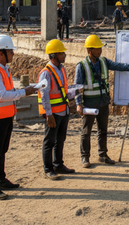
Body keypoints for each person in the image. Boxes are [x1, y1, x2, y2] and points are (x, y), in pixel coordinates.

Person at [75, 34, 129, 167]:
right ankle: (85, 157)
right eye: (97, 49)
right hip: (90, 104)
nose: (100, 51)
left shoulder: (103, 61)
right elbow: (76, 88)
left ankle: (103, 155)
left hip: (103, 102)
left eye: (100, 48)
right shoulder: (81, 66)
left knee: (103, 130)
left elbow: (119, 66)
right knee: (86, 131)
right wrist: (79, 104)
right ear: (89, 51)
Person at [0, 34, 38, 200]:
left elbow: (8, 92)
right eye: (10, 52)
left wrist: (25, 89)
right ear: (1, 53)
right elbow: (2, 95)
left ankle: (1, 179)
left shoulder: (4, 69)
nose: (13, 54)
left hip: (6, 116)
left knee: (2, 150)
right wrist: (24, 92)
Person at [38, 39, 77, 179]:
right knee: (49, 141)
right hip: (53, 113)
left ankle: (58, 164)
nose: (65, 55)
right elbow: (44, 96)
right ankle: (48, 169)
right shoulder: (46, 73)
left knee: (60, 139)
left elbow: (62, 91)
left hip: (63, 111)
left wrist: (74, 93)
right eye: (62, 53)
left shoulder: (61, 69)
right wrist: (49, 115)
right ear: (54, 55)